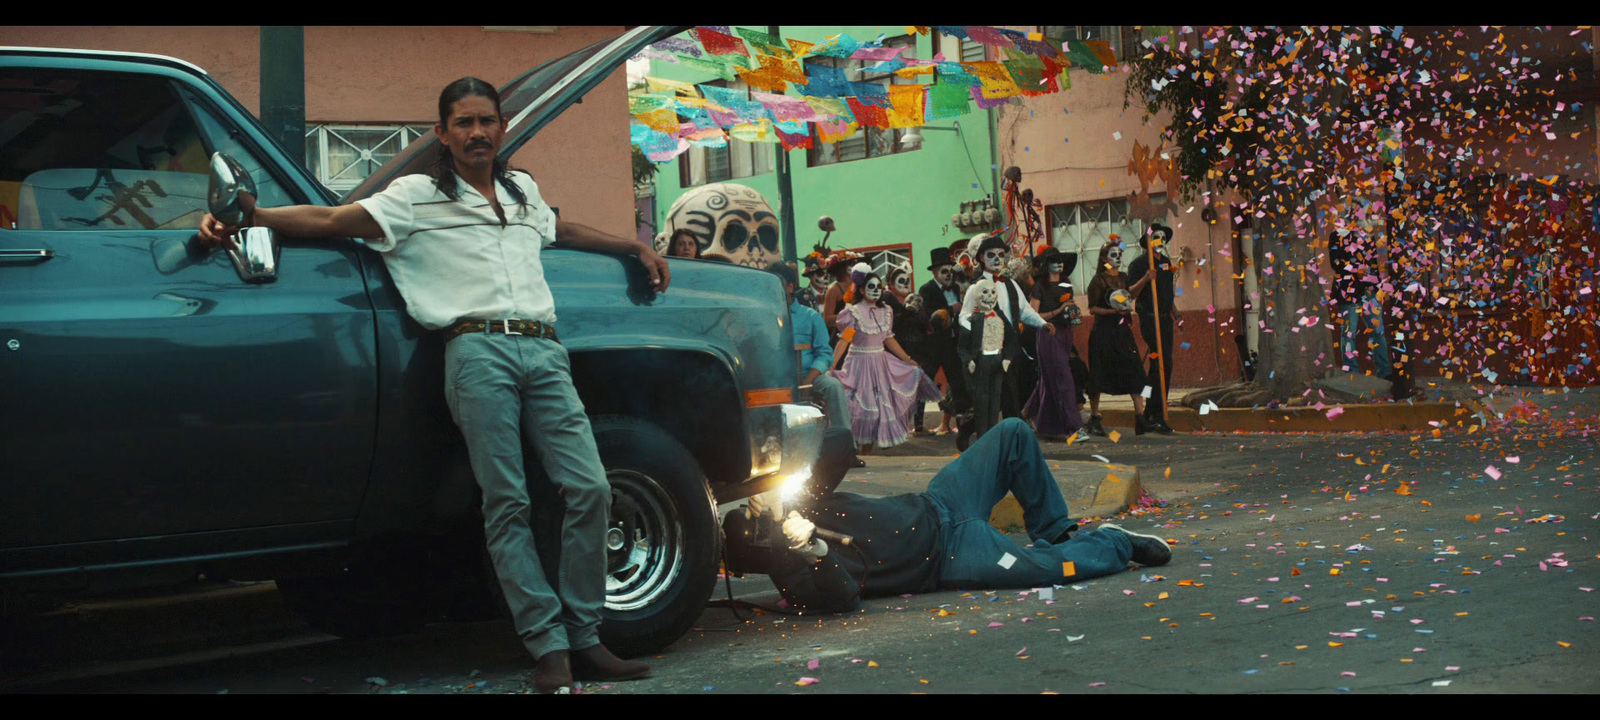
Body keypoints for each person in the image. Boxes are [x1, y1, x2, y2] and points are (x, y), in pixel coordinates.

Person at [198, 77, 659, 694]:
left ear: (501, 128)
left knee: (589, 487)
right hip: (475, 350)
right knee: (508, 501)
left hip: (545, 352)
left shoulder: (522, 189)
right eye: (464, 123)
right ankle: (548, 645)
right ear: (442, 133)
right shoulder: (413, 196)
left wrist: (631, 246)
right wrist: (248, 216)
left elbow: (563, 231)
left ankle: (585, 634)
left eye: (487, 121)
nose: (478, 133)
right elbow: (333, 218)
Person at [721, 418, 1173, 613]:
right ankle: (1114, 543)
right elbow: (841, 596)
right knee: (1046, 570)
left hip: (941, 501)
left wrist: (775, 478)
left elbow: (838, 443)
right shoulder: (795, 574)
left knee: (1012, 433)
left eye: (752, 508)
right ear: (760, 550)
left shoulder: (801, 500)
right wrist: (810, 547)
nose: (762, 515)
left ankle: (1057, 531)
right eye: (755, 523)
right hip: (953, 556)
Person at [828, 264, 941, 454]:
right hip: (858, 364)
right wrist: (831, 364)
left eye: (878, 287)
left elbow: (889, 339)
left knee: (878, 410)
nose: (875, 291)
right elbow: (844, 340)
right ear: (861, 289)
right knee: (859, 409)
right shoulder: (854, 312)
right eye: (870, 287)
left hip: (880, 364)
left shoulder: (886, 310)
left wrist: (907, 359)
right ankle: (851, 452)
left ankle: (866, 454)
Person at [958, 234, 1056, 448]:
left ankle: (1012, 444)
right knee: (990, 400)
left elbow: (1025, 310)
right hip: (986, 353)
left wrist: (1042, 323)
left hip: (1010, 350)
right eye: (991, 255)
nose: (996, 259)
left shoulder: (1011, 284)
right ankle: (973, 430)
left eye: (1001, 255)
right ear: (981, 258)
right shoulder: (976, 287)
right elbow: (964, 316)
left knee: (1011, 397)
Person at [766, 262, 851, 433]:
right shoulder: (761, 318)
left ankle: (845, 443)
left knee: (833, 386)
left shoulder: (810, 316)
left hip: (808, 376)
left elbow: (825, 354)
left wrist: (808, 379)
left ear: (790, 286)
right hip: (772, 380)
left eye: (777, 282)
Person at [1084, 240, 1157, 436]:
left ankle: (1140, 417)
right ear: (1104, 259)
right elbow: (1092, 309)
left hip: (1123, 333)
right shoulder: (1098, 280)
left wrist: (1145, 279)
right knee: (1098, 375)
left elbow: (1129, 295)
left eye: (1119, 254)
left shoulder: (1123, 278)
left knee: (1136, 372)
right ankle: (1094, 418)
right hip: (1103, 334)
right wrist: (1111, 311)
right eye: (1113, 255)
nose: (1117, 258)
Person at [1022, 247, 1088, 442]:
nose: (1059, 264)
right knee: (1063, 379)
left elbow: (1070, 306)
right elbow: (1032, 315)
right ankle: (1074, 429)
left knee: (1048, 378)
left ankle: (1025, 413)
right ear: (1046, 264)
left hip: (1066, 333)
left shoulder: (1066, 283)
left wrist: (1072, 312)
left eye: (1061, 261)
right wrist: (1058, 310)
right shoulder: (1039, 287)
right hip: (1048, 333)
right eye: (1054, 260)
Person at [1126, 224, 1178, 434]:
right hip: (1149, 318)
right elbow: (1130, 293)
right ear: (1148, 241)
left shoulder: (1165, 262)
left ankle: (1152, 410)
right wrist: (1146, 278)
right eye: (1156, 237)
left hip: (1166, 320)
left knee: (1162, 366)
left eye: (1163, 237)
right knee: (1160, 362)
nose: (1160, 240)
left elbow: (1167, 291)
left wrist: (1176, 312)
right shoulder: (1139, 264)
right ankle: (1155, 413)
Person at [917, 247, 970, 436]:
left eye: (950, 271)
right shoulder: (926, 289)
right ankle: (918, 424)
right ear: (935, 272)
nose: (948, 275)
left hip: (952, 343)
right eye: (944, 271)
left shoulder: (955, 288)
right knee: (925, 381)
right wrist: (950, 309)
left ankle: (963, 421)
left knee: (958, 382)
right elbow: (927, 315)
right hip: (933, 345)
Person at [1329, 230, 1392, 381]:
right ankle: (1352, 372)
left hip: (1369, 291)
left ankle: (1384, 372)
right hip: (1348, 292)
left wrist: (1377, 289)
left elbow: (1373, 264)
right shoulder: (1337, 235)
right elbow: (1335, 262)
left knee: (1378, 331)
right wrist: (1355, 270)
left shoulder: (1369, 236)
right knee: (1349, 333)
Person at [885, 266, 932, 434]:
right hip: (897, 351)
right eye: (901, 281)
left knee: (918, 387)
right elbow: (891, 326)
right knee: (899, 391)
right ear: (890, 283)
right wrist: (906, 312)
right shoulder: (887, 299)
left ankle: (918, 424)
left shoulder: (914, 299)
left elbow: (924, 324)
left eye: (907, 280)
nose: (905, 284)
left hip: (917, 349)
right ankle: (897, 426)